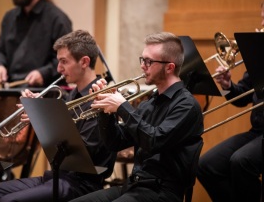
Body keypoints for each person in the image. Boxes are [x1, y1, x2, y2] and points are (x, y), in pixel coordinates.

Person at [70, 32, 204, 202]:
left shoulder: (187, 105)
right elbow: (115, 142)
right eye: (142, 59)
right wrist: (104, 110)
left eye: (149, 61)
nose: (143, 66)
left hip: (162, 191)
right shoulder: (149, 104)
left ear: (169, 67)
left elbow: (154, 141)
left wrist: (122, 107)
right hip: (134, 185)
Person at [0, 30, 116, 202]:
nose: (58, 69)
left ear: (84, 62)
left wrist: (45, 120)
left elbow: (84, 153)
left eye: (64, 61)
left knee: (9, 201)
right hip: (55, 177)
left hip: (81, 183)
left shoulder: (102, 97)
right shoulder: (71, 95)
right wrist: (39, 115)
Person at [197, 2, 264, 202]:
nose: (261, 24)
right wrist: (227, 85)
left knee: (240, 162)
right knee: (206, 165)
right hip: (258, 131)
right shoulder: (260, 53)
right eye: (262, 17)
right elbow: (243, 97)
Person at [0, 0, 72, 88]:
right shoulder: (9, 17)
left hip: (44, 93)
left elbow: (67, 59)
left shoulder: (57, 19)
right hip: (11, 89)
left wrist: (43, 73)